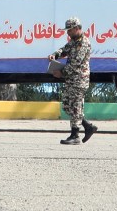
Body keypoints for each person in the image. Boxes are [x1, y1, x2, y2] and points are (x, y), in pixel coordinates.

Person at [48, 16, 97, 145]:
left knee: (75, 107)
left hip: (79, 79)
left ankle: (75, 135)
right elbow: (65, 49)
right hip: (71, 79)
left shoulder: (83, 43)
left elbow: (75, 64)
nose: (68, 33)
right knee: (67, 105)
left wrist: (61, 73)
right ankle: (87, 126)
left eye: (69, 30)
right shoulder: (74, 41)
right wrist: (55, 54)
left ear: (76, 29)